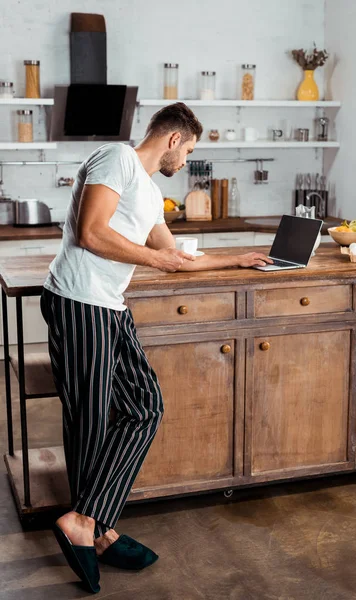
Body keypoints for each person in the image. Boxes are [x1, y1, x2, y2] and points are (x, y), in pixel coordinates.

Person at [41, 102, 271, 593]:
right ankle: (95, 529)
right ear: (172, 140)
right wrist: (154, 259)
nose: (186, 160)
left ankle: (89, 521)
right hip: (78, 300)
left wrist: (242, 259)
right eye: (188, 150)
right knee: (89, 417)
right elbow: (90, 232)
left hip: (108, 305)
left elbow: (178, 258)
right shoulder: (115, 160)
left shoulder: (147, 189)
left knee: (145, 406)